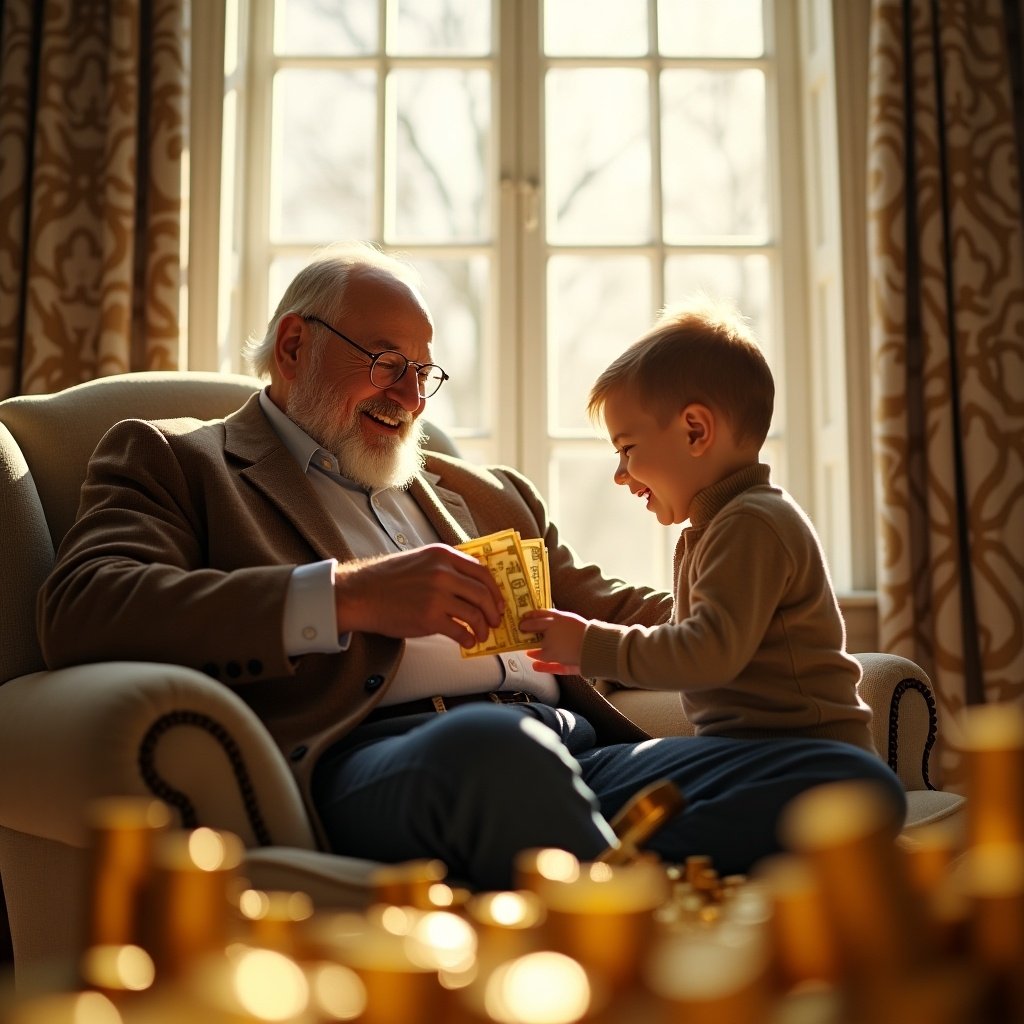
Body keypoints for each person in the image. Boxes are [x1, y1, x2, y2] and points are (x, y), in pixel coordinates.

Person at [38, 243, 903, 891]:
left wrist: (758, 602)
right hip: (391, 756)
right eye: (386, 362)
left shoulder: (485, 493)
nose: (411, 396)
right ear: (295, 345)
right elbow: (85, 607)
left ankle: (586, 864)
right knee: (498, 749)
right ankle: (635, 938)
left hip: (581, 756)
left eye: (423, 372)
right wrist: (345, 597)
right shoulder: (176, 463)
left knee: (846, 780)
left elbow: (608, 605)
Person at [520, 297, 875, 754]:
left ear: (695, 431)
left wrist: (590, 644)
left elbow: (702, 654)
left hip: (809, 759)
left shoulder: (751, 524)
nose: (620, 474)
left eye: (627, 448)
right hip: (757, 753)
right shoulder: (717, 528)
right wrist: (592, 663)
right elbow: (675, 642)